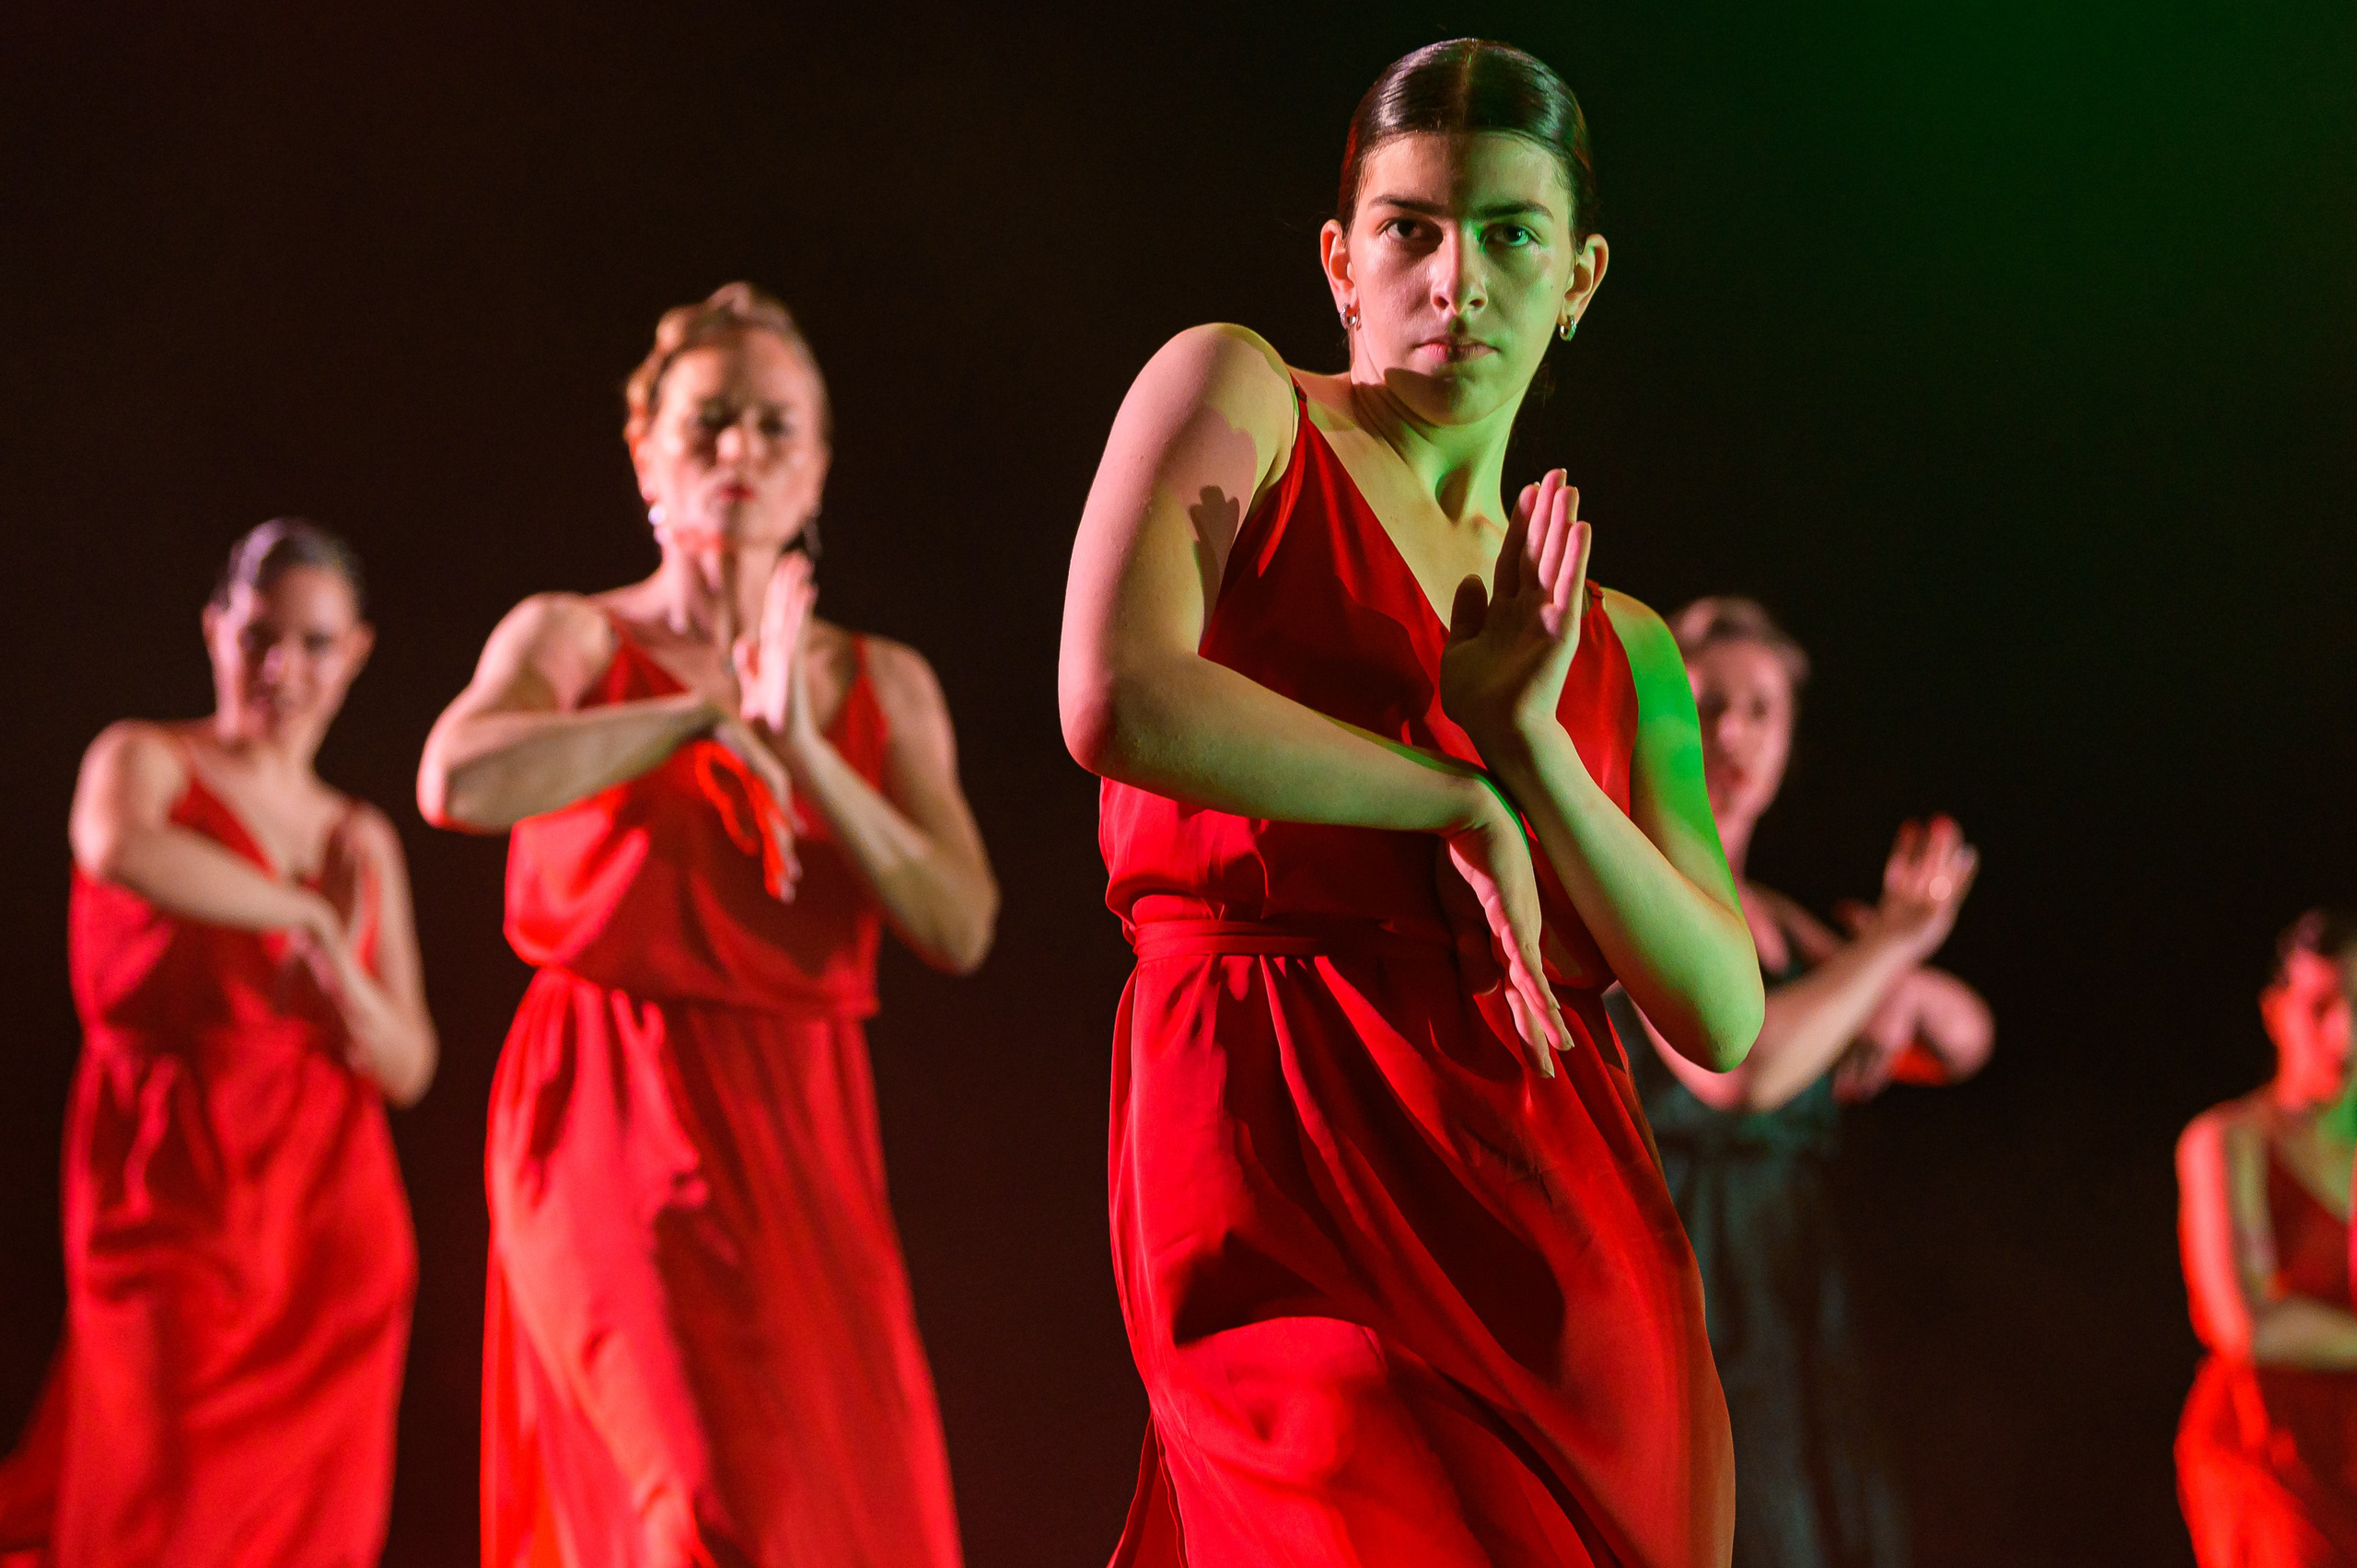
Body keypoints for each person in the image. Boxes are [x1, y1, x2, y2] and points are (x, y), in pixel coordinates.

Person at [1059, 39, 1764, 1568]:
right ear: (1342, 258)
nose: (1460, 277)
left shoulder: (1624, 641)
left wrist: (1534, 749)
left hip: (1555, 1227)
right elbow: (1114, 690)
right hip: (1277, 1138)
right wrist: (1455, 795)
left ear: (1577, 277)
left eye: (1512, 234)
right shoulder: (1239, 394)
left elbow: (1719, 1008)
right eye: (1413, 228)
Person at [419, 282, 996, 1568]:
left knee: (836, 1504)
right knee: (701, 1497)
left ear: (819, 469)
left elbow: (959, 922)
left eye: (775, 427)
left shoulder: (880, 678)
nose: (740, 451)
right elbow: (456, 777)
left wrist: (803, 751)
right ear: (646, 454)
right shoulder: (573, 633)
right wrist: (695, 715)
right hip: (604, 1094)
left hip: (799, 1110)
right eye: (709, 422)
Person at [0, 519, 434, 1567]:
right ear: (214, 630)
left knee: (301, 1531)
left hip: (330, 1218)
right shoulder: (145, 757)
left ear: (358, 651)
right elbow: (116, 845)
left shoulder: (358, 835)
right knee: (157, 1499)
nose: (283, 667)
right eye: (259, 636)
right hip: (169, 1189)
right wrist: (311, 918)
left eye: (316, 643)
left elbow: (410, 1060)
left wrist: (346, 995)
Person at [1607, 596, 1991, 1568]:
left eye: (1760, 710)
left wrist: (1878, 980)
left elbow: (1962, 1036)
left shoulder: (1778, 920)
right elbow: (1746, 1067)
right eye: (1707, 703)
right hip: (1684, 1278)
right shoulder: (1635, 875)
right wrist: (1891, 946)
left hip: (1790, 1290)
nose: (1732, 730)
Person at [2176, 908, 2357, 1565]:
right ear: (2275, 1009)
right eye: (2321, 1006)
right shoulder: (2231, 1139)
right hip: (2271, 1452)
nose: (2345, 1032)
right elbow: (2246, 1323)